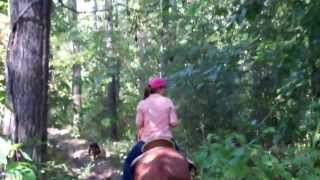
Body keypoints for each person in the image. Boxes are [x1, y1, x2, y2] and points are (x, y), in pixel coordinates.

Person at [122, 76, 180, 180]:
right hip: (167, 140)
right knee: (184, 160)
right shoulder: (168, 101)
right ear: (160, 89)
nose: (164, 90)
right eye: (164, 88)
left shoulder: (142, 103)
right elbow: (174, 122)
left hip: (146, 141)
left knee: (127, 163)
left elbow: (139, 124)